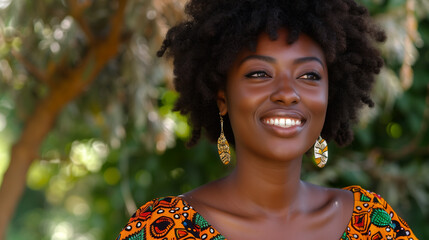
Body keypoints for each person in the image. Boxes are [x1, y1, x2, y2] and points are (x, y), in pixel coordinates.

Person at [117, 0, 419, 239]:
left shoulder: (373, 223)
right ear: (222, 97)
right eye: (259, 74)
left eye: (309, 76)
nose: (287, 93)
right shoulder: (163, 230)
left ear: (331, 94)